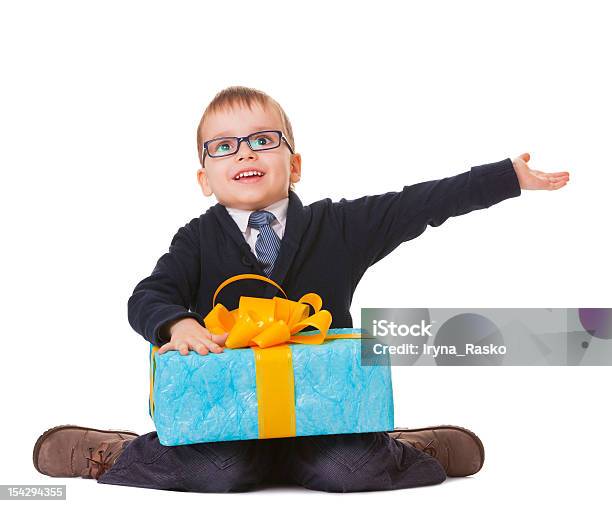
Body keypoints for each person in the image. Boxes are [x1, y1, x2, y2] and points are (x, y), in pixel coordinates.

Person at [33, 86, 570, 493]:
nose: (245, 154)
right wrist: (176, 322)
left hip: (325, 412)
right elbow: (148, 294)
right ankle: (120, 453)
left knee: (353, 469)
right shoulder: (196, 240)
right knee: (221, 472)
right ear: (205, 178)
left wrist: (506, 178)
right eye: (223, 147)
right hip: (230, 416)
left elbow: (418, 204)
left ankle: (405, 448)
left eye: (262, 141)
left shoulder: (340, 227)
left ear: (293, 164)